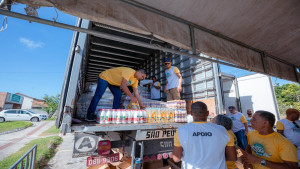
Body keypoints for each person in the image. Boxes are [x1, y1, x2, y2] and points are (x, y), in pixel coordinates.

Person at [173, 102, 236, 169]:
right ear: (207, 113)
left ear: (191, 113)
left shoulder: (181, 130)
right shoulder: (222, 130)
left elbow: (176, 158)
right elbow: (232, 157)